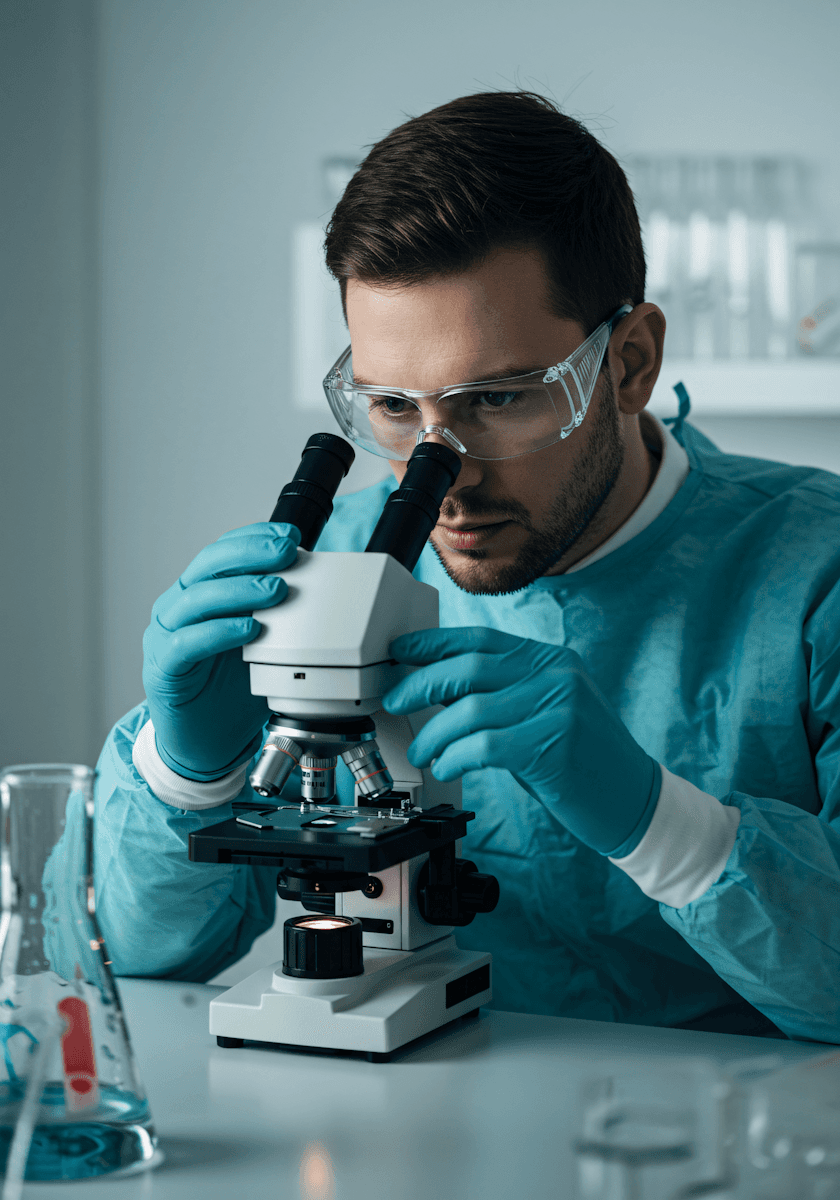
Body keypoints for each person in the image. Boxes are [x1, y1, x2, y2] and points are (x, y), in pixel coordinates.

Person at [94, 91, 840, 1043]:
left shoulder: (817, 573)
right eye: (394, 407)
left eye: (496, 398)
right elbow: (135, 960)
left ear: (630, 363)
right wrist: (185, 772)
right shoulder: (337, 566)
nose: (443, 475)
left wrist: (660, 822)